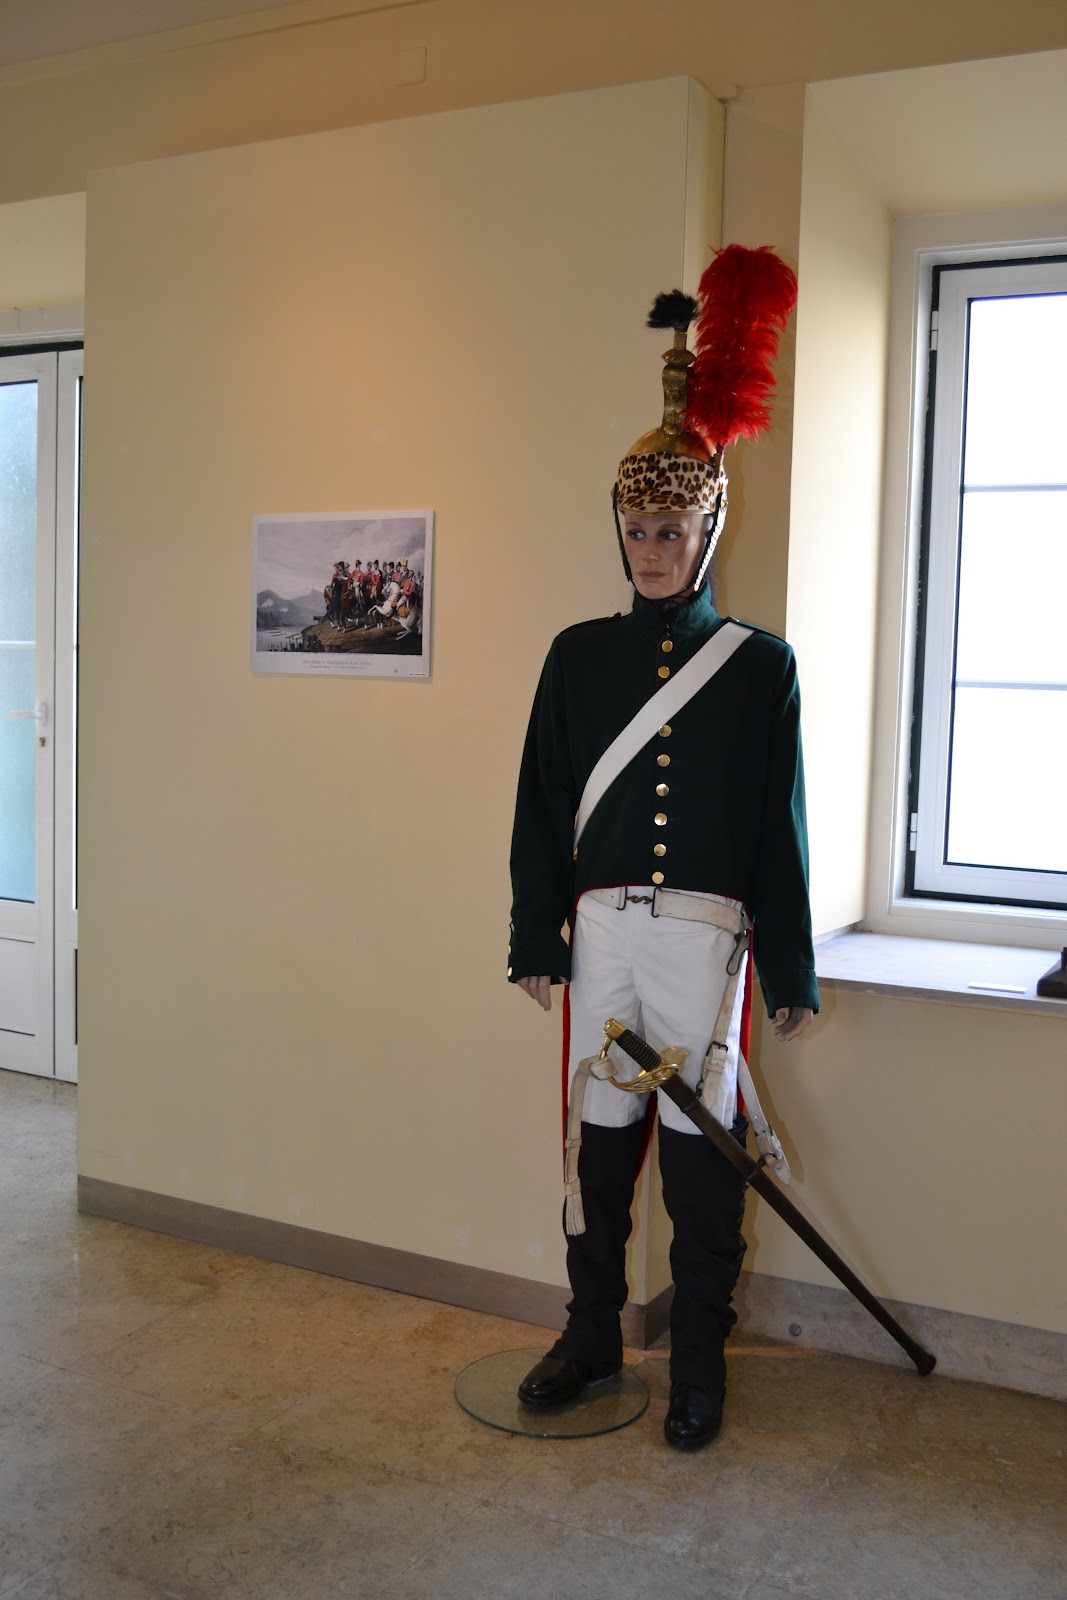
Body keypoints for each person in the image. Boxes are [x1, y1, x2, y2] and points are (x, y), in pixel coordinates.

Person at [508, 246, 818, 1451]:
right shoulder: (576, 656)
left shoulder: (758, 667)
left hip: (702, 942)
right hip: (601, 940)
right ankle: (589, 1335)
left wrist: (786, 968)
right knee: (595, 1153)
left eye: (671, 528)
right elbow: (541, 804)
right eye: (635, 527)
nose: (649, 548)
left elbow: (776, 828)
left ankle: (697, 1365)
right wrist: (536, 936)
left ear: (707, 527)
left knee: (699, 1163)